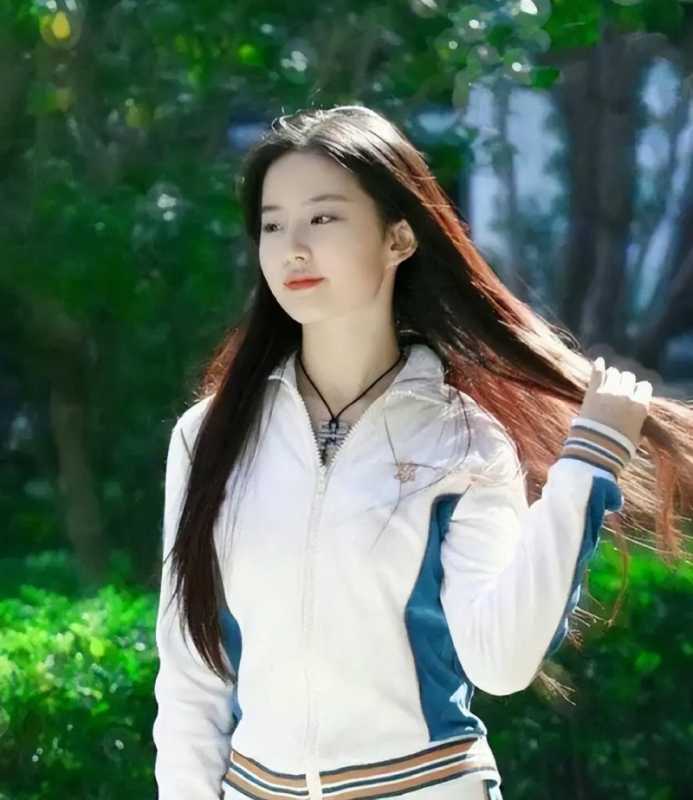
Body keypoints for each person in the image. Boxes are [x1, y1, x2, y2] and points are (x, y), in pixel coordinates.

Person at [152, 105, 692, 800]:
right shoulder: (209, 436)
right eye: (272, 224)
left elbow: (499, 661)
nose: (292, 248)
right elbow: (191, 677)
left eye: (322, 218)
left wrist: (586, 464)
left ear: (398, 237)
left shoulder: (462, 440)